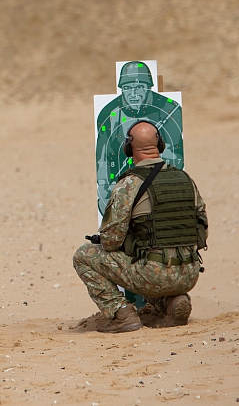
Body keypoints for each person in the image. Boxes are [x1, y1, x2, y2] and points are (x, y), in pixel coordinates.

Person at [74, 121, 208, 333]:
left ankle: (121, 315)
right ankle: (173, 301)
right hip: (189, 272)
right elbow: (202, 229)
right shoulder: (185, 180)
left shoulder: (129, 185)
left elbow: (110, 241)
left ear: (129, 148)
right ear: (160, 145)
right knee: (147, 262)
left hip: (153, 274)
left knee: (83, 256)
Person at [95, 61, 184, 216]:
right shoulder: (108, 114)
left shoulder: (170, 110)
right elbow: (103, 163)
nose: (134, 94)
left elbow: (176, 159)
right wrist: (108, 208)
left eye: (139, 87)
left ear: (148, 87)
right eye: (128, 88)